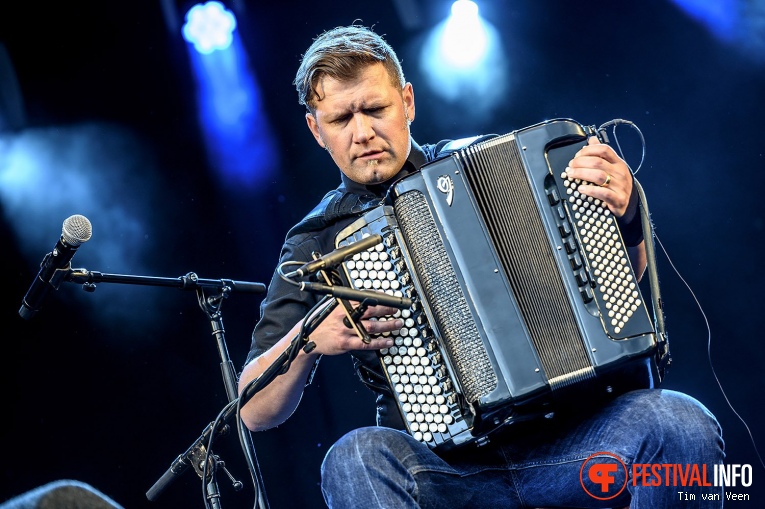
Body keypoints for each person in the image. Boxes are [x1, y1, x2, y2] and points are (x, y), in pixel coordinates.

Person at [237, 24, 724, 508]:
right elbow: (254, 410)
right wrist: (306, 339)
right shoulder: (314, 241)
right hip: (447, 473)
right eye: (342, 119)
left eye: (376, 109)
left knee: (682, 425)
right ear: (315, 128)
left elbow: (621, 285)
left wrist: (628, 215)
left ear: (407, 102)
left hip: (574, 441)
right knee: (355, 457)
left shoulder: (489, 164)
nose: (363, 132)